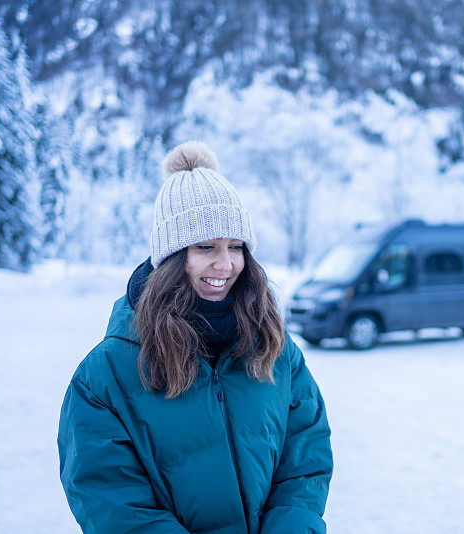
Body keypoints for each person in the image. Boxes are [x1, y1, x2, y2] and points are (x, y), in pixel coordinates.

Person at [57, 141, 333, 534]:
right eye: (206, 248)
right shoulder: (105, 375)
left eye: (235, 247)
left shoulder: (275, 349)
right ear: (171, 258)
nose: (226, 264)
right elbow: (110, 499)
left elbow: (306, 455)